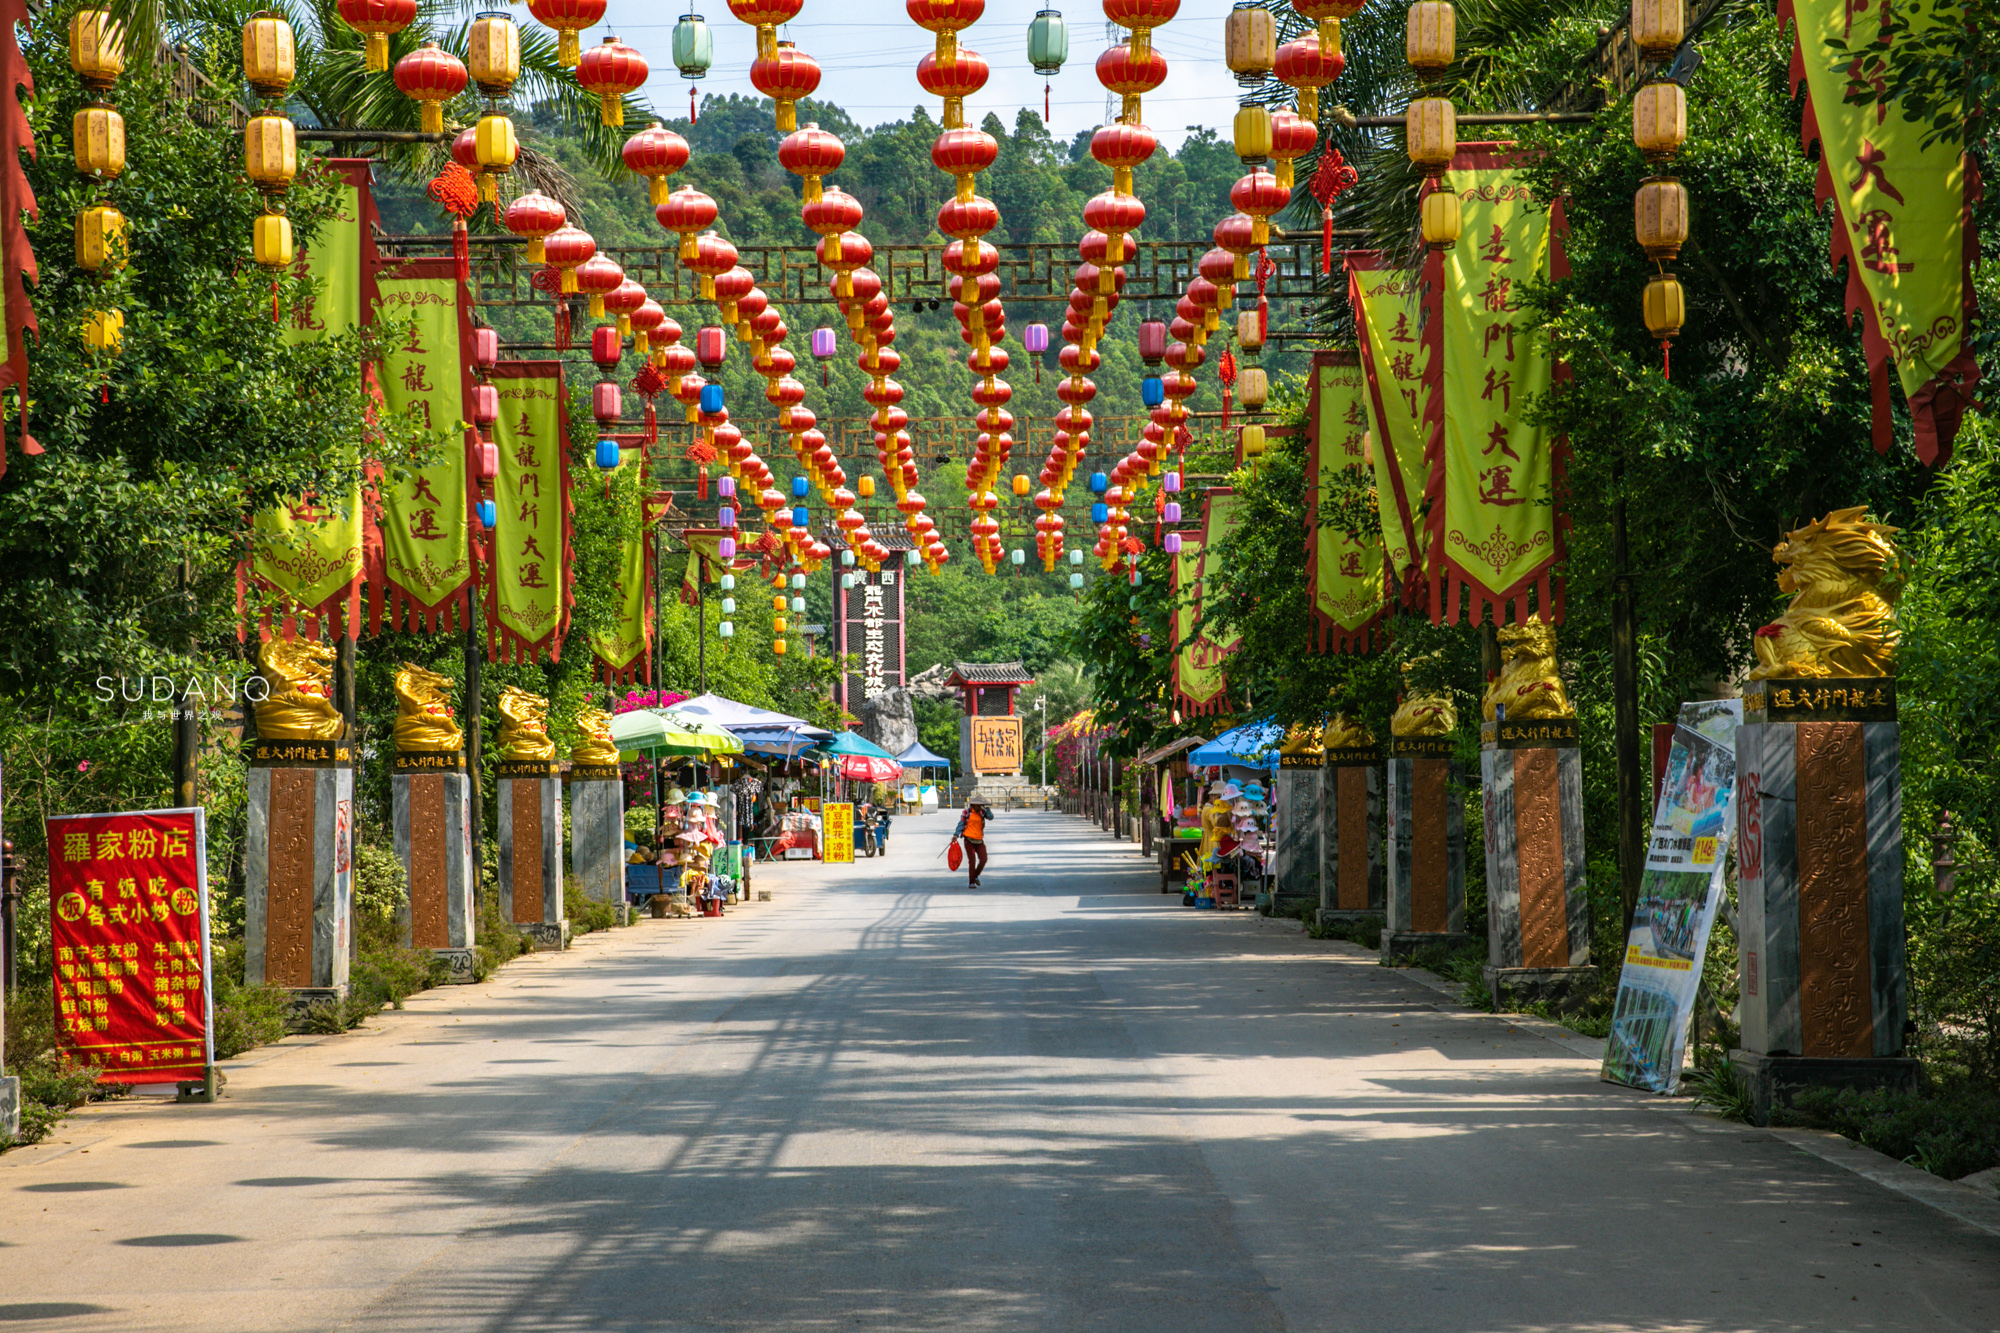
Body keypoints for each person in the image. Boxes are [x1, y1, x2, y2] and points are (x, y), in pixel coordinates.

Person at [954, 800, 992, 887]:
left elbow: (991, 817)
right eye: (979, 805)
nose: (980, 806)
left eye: (982, 805)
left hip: (979, 839)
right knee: (972, 861)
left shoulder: (983, 812)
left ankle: (975, 876)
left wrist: (987, 810)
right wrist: (956, 834)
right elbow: (961, 823)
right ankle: (971, 882)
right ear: (974, 804)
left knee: (983, 859)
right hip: (968, 839)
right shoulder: (967, 812)